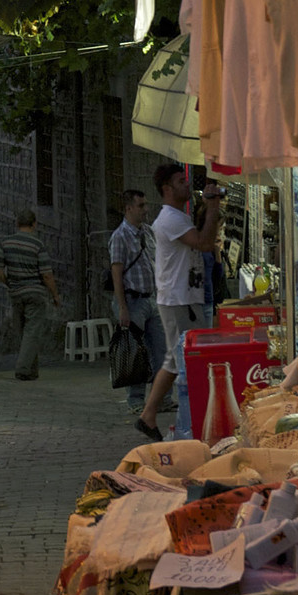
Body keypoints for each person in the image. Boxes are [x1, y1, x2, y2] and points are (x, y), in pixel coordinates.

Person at [135, 162, 224, 442]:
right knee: (183, 360)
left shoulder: (177, 216)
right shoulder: (170, 219)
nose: (187, 185)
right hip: (178, 299)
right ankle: (177, 421)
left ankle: (148, 416)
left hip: (182, 297)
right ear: (167, 189)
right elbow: (204, 242)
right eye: (180, 181)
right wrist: (211, 207)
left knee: (175, 360)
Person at [108, 189, 166, 418]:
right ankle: (136, 400)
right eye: (141, 206)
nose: (145, 210)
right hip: (133, 301)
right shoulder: (120, 236)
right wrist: (122, 307)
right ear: (128, 208)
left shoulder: (148, 232)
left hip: (152, 298)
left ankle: (162, 398)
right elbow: (117, 272)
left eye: (145, 205)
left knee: (161, 351)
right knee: (135, 354)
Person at [0, 210, 61, 381]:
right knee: (32, 331)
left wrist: (8, 282)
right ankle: (23, 368)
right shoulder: (37, 245)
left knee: (23, 331)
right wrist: (55, 295)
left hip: (16, 293)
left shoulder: (6, 243)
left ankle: (32, 370)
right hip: (35, 292)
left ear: (17, 224)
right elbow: (46, 274)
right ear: (34, 224)